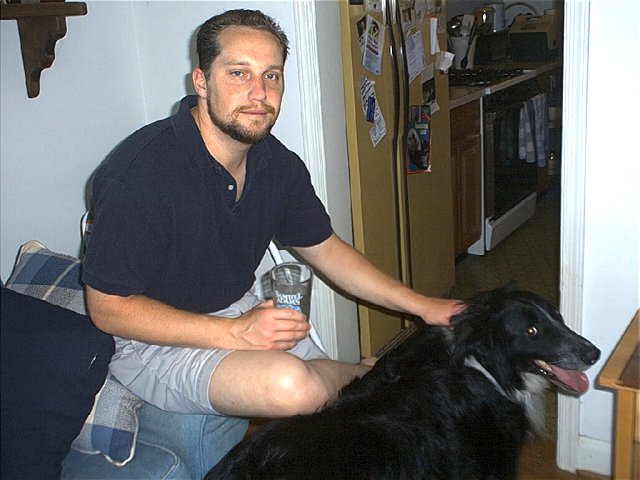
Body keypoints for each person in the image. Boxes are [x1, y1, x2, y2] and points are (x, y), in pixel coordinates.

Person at [83, 8, 462, 427]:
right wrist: (234, 333)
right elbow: (107, 308)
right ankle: (368, 376)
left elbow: (326, 251)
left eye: (272, 75)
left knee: (334, 412)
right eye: (238, 73)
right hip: (151, 340)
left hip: (237, 308)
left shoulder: (276, 163)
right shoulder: (139, 175)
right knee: (293, 386)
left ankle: (363, 386)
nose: (259, 93)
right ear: (201, 82)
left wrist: (425, 306)